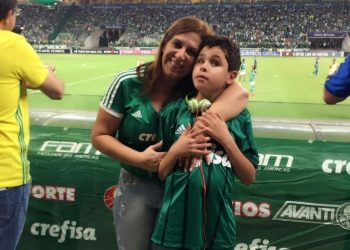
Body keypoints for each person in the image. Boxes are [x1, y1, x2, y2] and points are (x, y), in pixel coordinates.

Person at [91, 16, 249, 250]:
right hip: (137, 185)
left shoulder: (194, 89)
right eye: (177, 44)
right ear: (165, 43)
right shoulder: (127, 83)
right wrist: (140, 160)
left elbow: (240, 92)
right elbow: (99, 136)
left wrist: (196, 129)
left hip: (179, 191)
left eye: (191, 51)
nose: (181, 54)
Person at [152, 35, 258, 250]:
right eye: (200, 61)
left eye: (215, 62)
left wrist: (227, 140)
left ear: (232, 76)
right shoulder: (172, 113)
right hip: (172, 231)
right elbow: (162, 172)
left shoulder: (240, 118)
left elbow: (249, 176)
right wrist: (176, 150)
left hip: (218, 233)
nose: (204, 67)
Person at [0, 1, 65, 249]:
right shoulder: (13, 44)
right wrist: (44, 72)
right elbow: (56, 91)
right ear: (8, 15)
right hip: (6, 174)